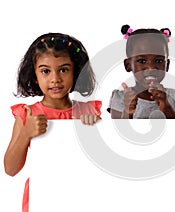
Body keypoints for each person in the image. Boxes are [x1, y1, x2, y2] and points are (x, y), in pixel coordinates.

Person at [3, 32, 102, 212]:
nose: (55, 79)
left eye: (63, 69)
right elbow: (10, 169)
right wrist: (25, 133)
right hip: (42, 198)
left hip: (82, 196)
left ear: (76, 72)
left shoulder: (88, 111)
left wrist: (95, 127)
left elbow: (102, 162)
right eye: (45, 71)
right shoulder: (27, 113)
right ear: (34, 75)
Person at [107, 25, 175, 119]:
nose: (151, 68)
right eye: (141, 61)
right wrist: (127, 111)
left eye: (158, 61)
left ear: (167, 65)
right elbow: (115, 131)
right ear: (128, 65)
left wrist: (167, 108)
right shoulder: (121, 98)